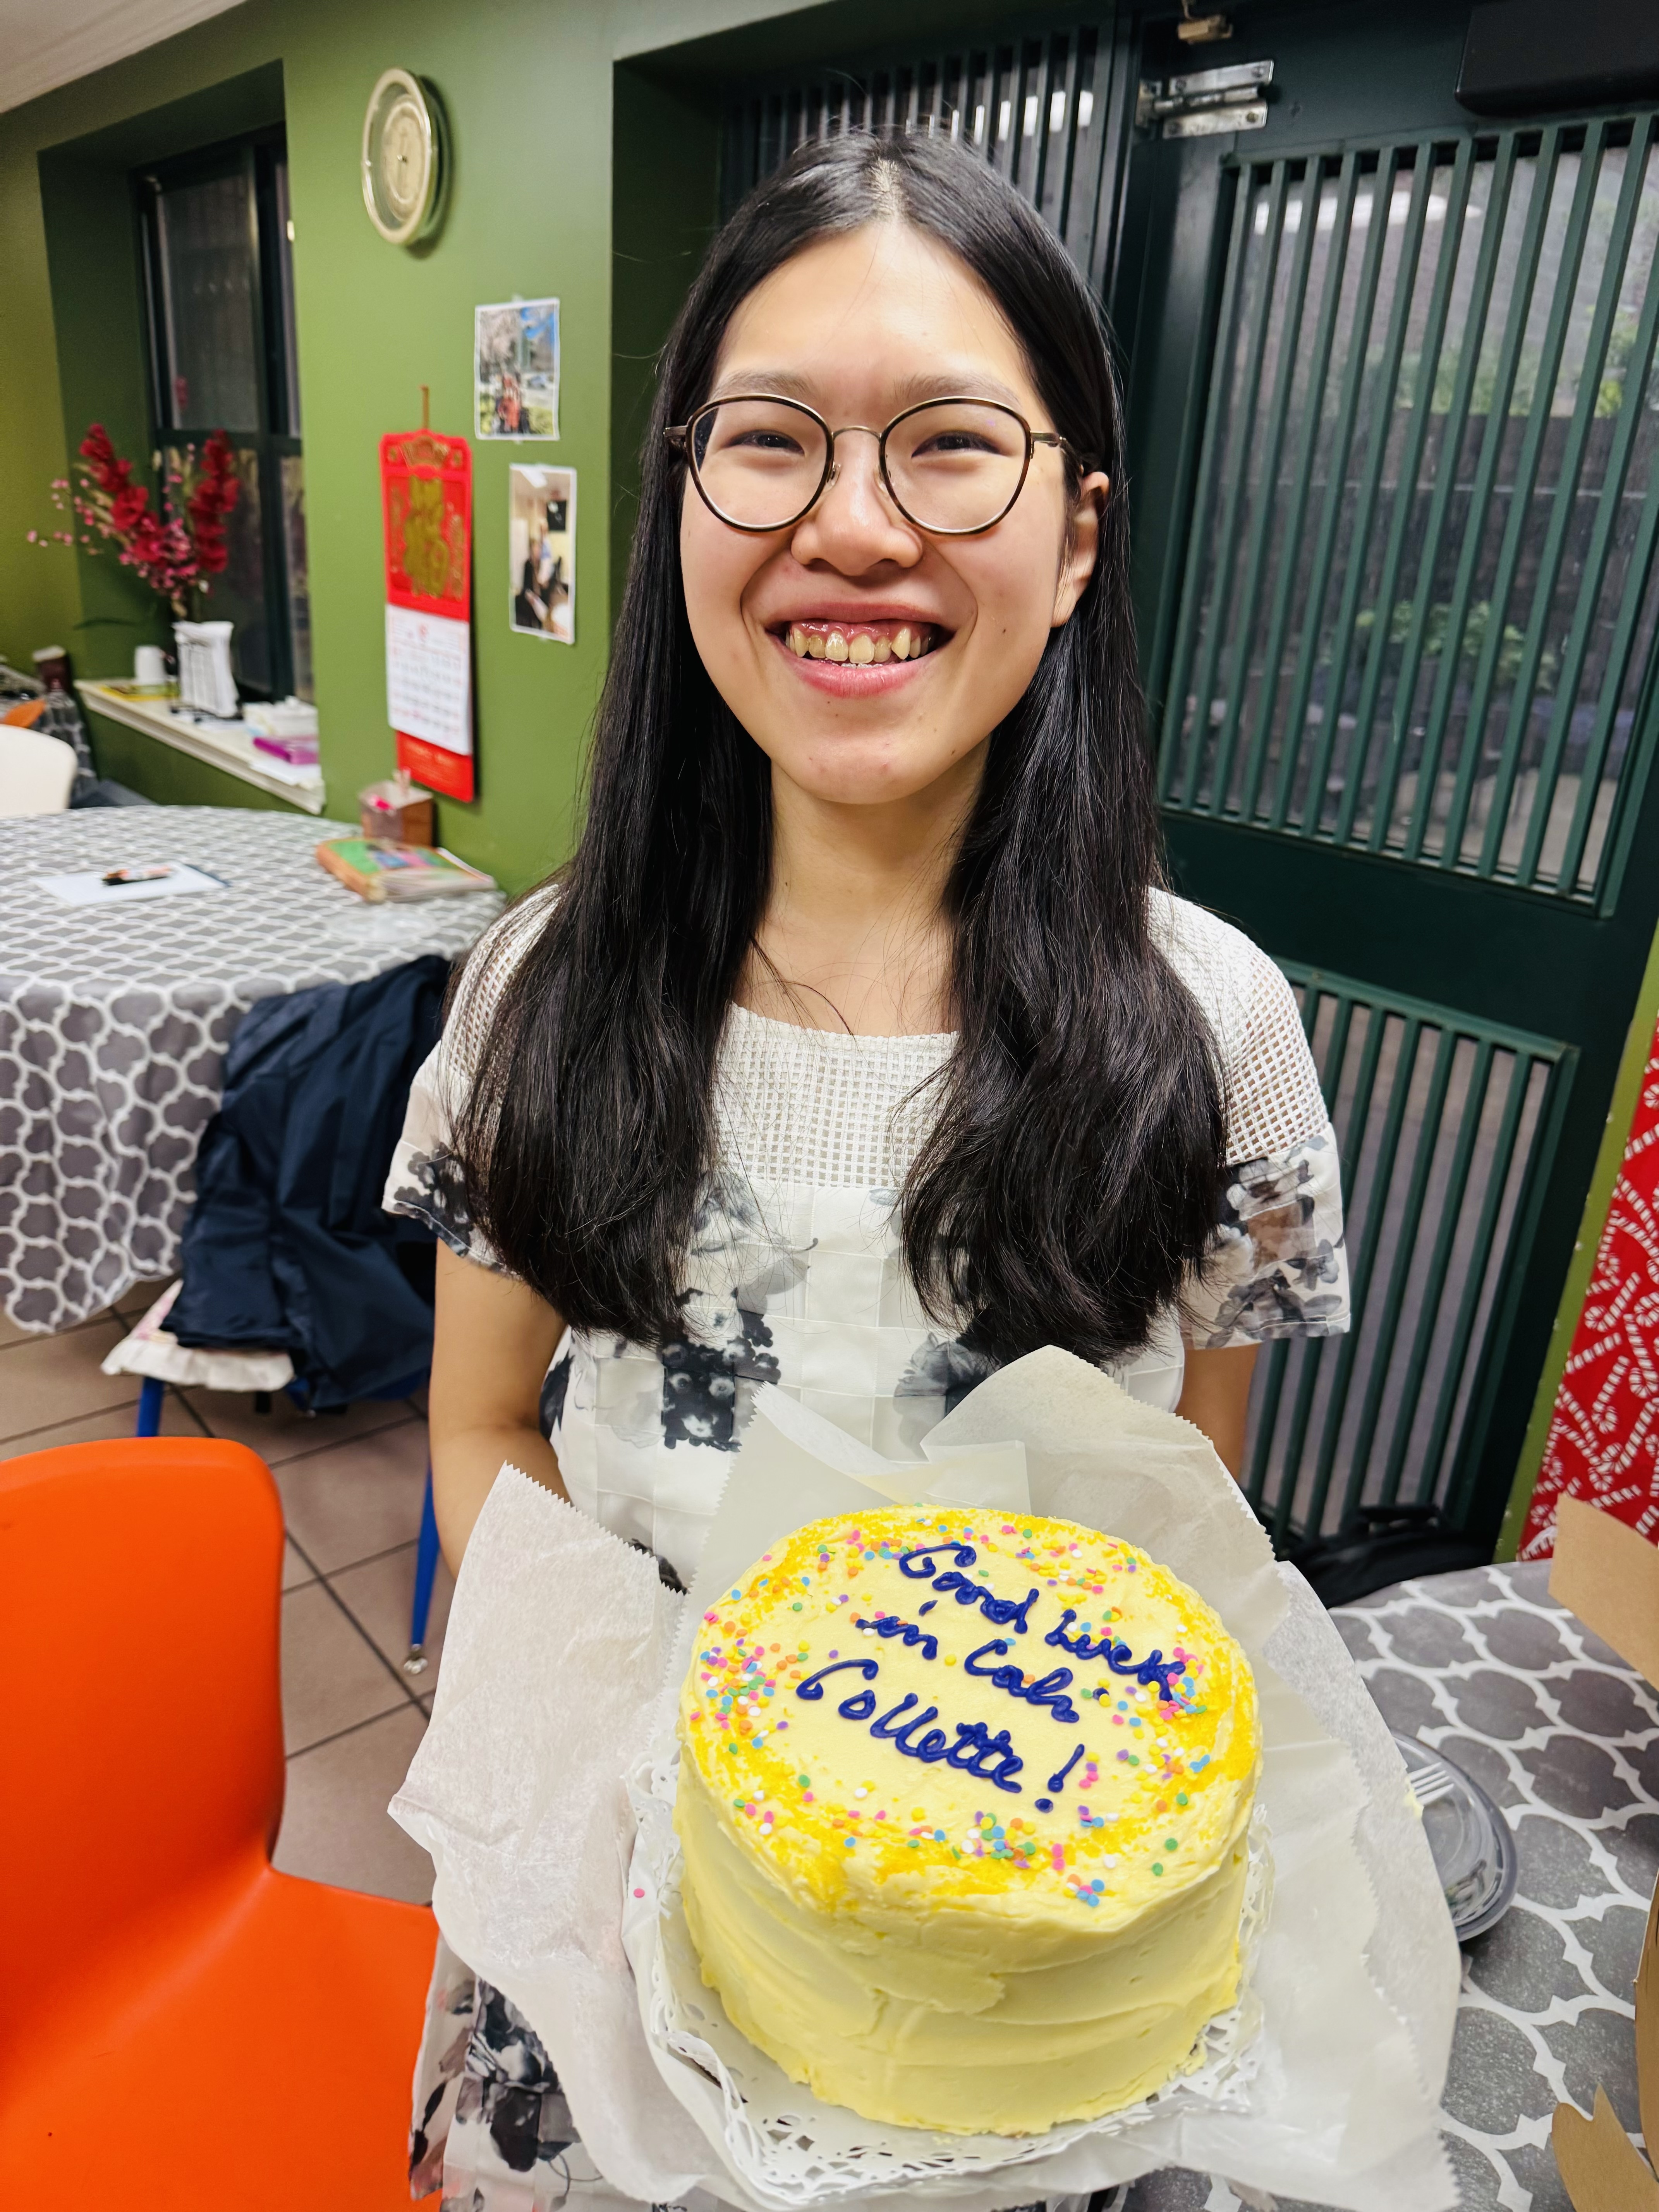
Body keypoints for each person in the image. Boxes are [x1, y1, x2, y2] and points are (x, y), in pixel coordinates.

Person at [385, 128, 1348, 2212]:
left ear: (1078, 536)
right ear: (681, 503)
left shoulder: (1218, 1032)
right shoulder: (537, 991)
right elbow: (478, 1427)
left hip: (1006, 1990)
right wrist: (623, 1777)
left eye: (947, 448)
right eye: (771, 442)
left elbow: (1182, 1514)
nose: (851, 525)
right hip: (608, 1919)